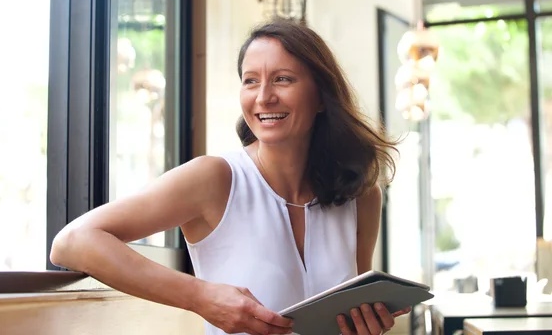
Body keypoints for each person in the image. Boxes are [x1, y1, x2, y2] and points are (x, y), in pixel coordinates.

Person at [50, 19, 411, 335]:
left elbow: (352, 311)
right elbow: (73, 242)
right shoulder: (216, 178)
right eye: (250, 81)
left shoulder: (361, 197)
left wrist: (366, 327)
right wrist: (201, 297)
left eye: (283, 79)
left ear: (321, 97)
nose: (264, 97)